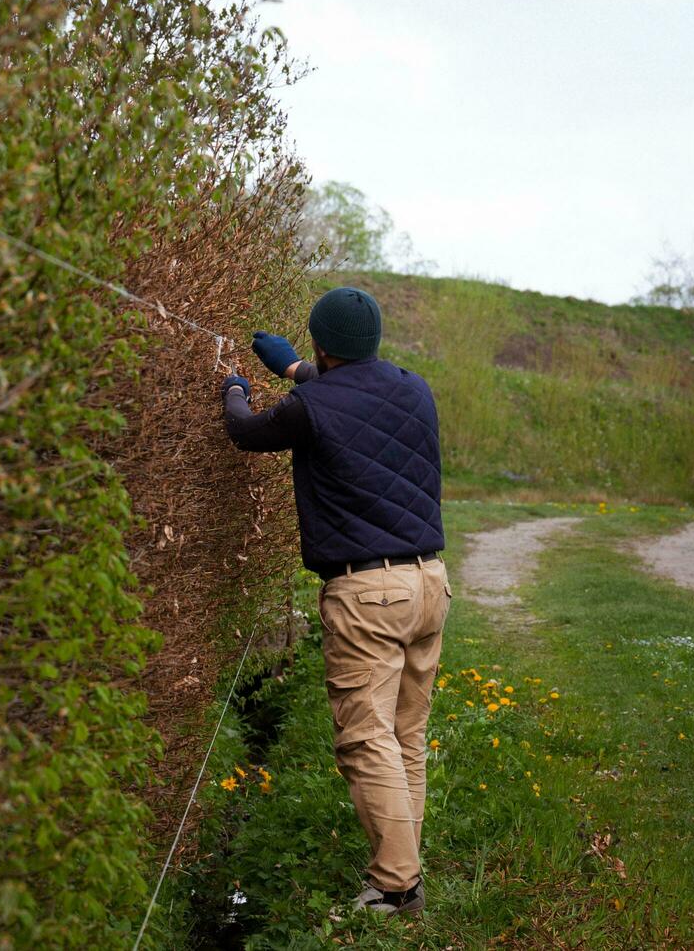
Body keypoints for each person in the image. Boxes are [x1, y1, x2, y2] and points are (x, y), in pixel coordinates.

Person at [220, 286, 450, 917]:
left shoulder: (307, 406)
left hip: (368, 594)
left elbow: (245, 432)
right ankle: (404, 876)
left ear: (321, 344)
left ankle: (397, 888)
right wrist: (293, 366)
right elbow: (350, 394)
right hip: (430, 584)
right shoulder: (415, 388)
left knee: (365, 740)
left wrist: (236, 388)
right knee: (405, 736)